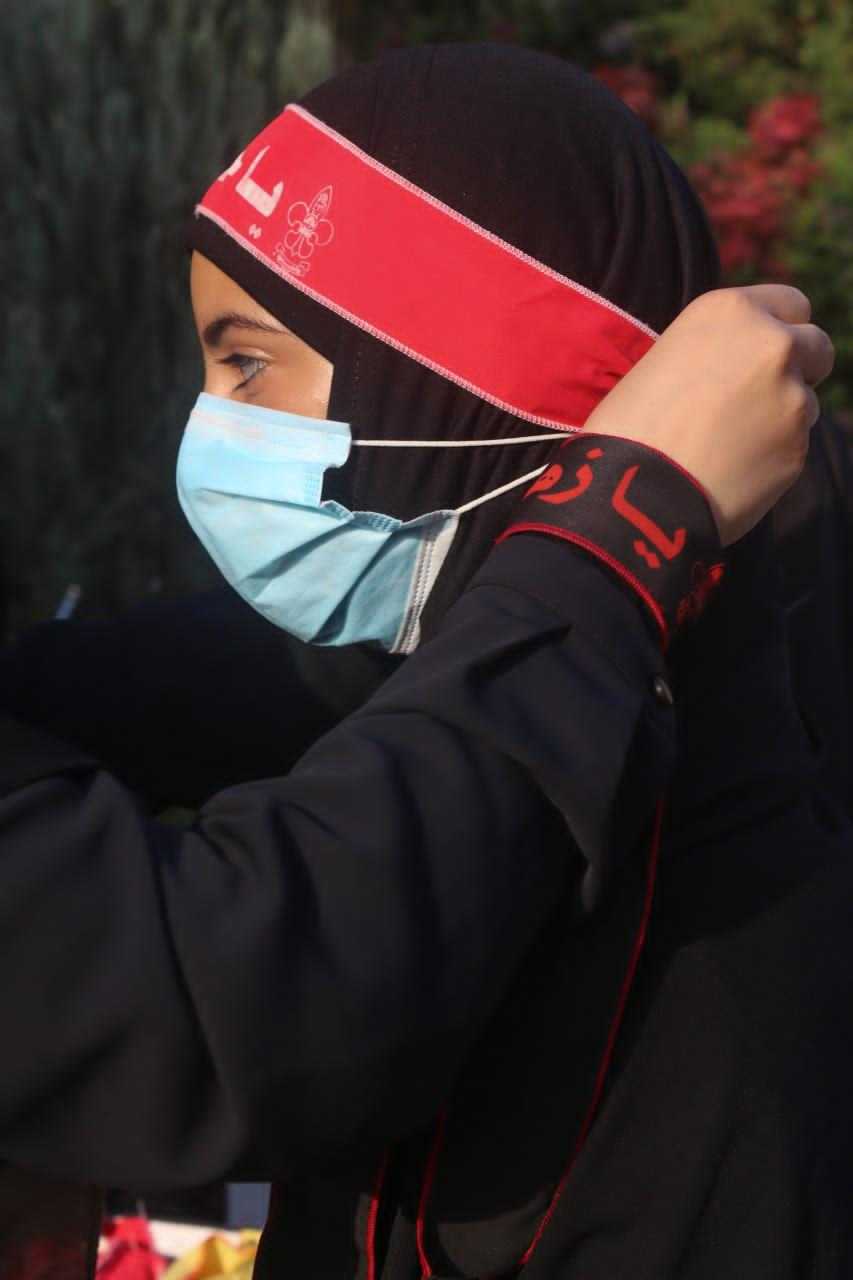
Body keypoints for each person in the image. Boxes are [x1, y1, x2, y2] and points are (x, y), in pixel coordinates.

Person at [0, 44, 846, 1280]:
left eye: (246, 362)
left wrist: (605, 546)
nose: (208, 426)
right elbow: (222, 980)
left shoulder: (708, 906)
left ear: (462, 383)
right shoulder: (564, 720)